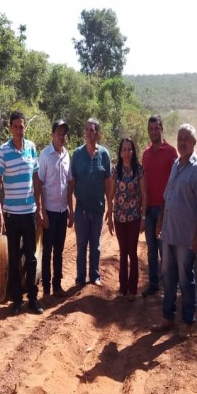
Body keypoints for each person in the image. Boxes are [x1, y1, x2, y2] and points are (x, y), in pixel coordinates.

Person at [152, 124, 197, 338]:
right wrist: (160, 221)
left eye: (186, 138)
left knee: (186, 280)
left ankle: (188, 322)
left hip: (186, 237)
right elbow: (167, 197)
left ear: (194, 143)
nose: (182, 142)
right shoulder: (176, 164)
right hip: (168, 234)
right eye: (179, 138)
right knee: (168, 277)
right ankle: (167, 318)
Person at [0, 111, 44, 315]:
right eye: (15, 126)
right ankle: (16, 300)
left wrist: (39, 206)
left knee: (31, 257)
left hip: (29, 212)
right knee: (14, 258)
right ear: (10, 128)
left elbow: (36, 179)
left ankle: (32, 299)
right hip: (12, 215)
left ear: (25, 127)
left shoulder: (31, 148)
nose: (19, 130)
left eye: (22, 126)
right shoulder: (3, 151)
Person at [67, 118, 113, 287]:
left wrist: (110, 206)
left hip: (98, 209)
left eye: (92, 130)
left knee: (96, 246)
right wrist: (70, 208)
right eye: (86, 129)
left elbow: (108, 182)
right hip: (81, 210)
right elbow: (72, 182)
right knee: (81, 245)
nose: (88, 132)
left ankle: (94, 276)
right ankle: (80, 279)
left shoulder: (104, 155)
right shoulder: (77, 154)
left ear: (98, 134)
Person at [140, 115, 178, 297]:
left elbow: (176, 181)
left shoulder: (171, 152)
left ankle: (170, 286)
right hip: (149, 209)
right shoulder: (145, 154)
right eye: (151, 129)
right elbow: (143, 183)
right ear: (148, 131)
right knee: (151, 249)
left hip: (166, 210)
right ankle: (153, 284)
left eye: (157, 128)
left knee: (166, 249)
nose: (154, 131)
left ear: (162, 129)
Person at [106, 138, 147, 301]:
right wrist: (109, 216)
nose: (127, 152)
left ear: (133, 152)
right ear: (120, 152)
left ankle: (132, 289)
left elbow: (144, 195)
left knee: (132, 252)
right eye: (124, 149)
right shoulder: (116, 171)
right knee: (123, 252)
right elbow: (110, 195)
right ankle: (122, 288)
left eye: (129, 149)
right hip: (119, 218)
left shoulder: (139, 170)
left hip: (134, 217)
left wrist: (143, 217)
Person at [38, 119, 72, 298]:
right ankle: (46, 289)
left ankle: (57, 286)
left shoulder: (67, 155)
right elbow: (39, 183)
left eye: (63, 133)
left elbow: (69, 184)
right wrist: (42, 211)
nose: (61, 136)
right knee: (47, 251)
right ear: (52, 134)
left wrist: (70, 210)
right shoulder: (45, 155)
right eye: (58, 132)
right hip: (49, 211)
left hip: (62, 211)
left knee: (59, 250)